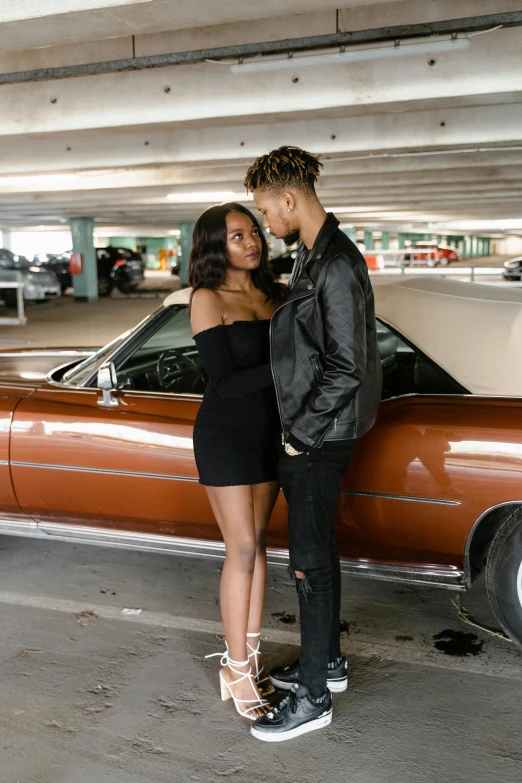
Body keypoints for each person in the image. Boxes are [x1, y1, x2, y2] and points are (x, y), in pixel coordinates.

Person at [244, 146, 382, 742]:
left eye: (265, 210)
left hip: (320, 434)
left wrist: (300, 437)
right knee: (317, 552)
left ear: (290, 199)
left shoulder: (335, 264)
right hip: (320, 428)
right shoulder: (315, 255)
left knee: (308, 561)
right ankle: (324, 661)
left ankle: (313, 701)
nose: (264, 222)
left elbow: (347, 366)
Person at [189, 202, 284, 721]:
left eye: (253, 232)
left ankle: (250, 658)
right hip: (225, 433)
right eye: (235, 236)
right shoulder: (207, 298)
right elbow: (224, 382)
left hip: (269, 434)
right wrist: (288, 363)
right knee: (242, 547)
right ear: (213, 246)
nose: (251, 242)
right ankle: (236, 667)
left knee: (261, 546)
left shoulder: (275, 294)